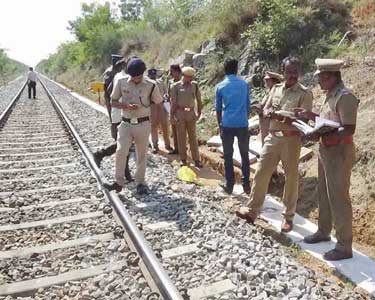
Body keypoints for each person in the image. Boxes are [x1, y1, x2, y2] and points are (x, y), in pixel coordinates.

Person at [236, 57, 313, 233]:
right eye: (289, 71)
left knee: (291, 178)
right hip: (272, 138)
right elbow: (265, 109)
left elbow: (305, 119)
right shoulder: (276, 89)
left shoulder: (304, 93)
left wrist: (284, 118)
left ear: (299, 73)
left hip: (291, 139)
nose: (292, 75)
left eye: (295, 71)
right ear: (283, 71)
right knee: (262, 172)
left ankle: (288, 217)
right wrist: (264, 111)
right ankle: (252, 210)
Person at [296, 58, 359, 261]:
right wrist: (310, 116)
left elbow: (349, 128)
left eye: (321, 78)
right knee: (324, 193)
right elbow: (329, 121)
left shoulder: (345, 96)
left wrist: (323, 134)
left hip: (339, 152)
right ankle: (323, 231)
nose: (319, 82)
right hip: (326, 150)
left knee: (339, 198)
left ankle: (343, 246)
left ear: (330, 77)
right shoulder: (330, 95)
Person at [104, 58, 163, 195]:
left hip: (143, 124)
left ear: (143, 73)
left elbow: (159, 103)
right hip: (126, 123)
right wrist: (126, 106)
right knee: (120, 151)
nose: (136, 79)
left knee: (141, 155)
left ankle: (140, 183)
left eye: (138, 77)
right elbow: (113, 102)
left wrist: (156, 122)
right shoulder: (121, 82)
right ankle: (118, 182)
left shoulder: (151, 85)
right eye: (133, 77)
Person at [93, 55, 132, 182]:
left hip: (124, 113)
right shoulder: (119, 77)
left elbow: (109, 90)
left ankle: (102, 154)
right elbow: (108, 91)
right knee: (124, 144)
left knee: (125, 144)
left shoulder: (120, 76)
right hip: (120, 114)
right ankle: (102, 155)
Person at [215, 58, 251, 194]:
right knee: (244, 155)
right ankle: (246, 185)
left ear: (225, 70)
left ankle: (229, 185)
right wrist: (244, 119)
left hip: (227, 124)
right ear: (237, 70)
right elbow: (248, 106)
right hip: (242, 124)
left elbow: (218, 109)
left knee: (228, 156)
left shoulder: (220, 86)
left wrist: (220, 126)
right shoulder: (244, 85)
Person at [170, 67, 203, 168]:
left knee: (193, 137)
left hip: (191, 114)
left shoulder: (195, 85)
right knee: (181, 137)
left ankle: (196, 160)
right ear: (184, 76)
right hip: (180, 113)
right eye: (189, 77)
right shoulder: (175, 86)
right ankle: (183, 159)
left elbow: (199, 100)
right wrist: (171, 116)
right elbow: (174, 103)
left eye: (191, 77)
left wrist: (199, 113)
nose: (190, 79)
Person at [252, 71, 284, 145]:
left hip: (272, 121)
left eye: (268, 80)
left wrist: (275, 75)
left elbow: (283, 79)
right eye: (265, 80)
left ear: (274, 81)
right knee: (265, 143)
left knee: (271, 144)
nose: (265, 81)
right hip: (264, 121)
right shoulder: (268, 91)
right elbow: (262, 105)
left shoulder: (279, 90)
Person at [147, 68, 172, 153]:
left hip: (162, 105)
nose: (153, 77)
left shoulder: (161, 82)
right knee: (153, 126)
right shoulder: (146, 84)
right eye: (151, 76)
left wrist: (166, 98)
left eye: (154, 76)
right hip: (152, 106)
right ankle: (155, 145)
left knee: (165, 125)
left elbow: (166, 92)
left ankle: (167, 144)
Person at [167, 64, 183, 154]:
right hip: (172, 108)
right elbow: (168, 94)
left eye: (172, 71)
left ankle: (183, 148)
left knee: (181, 130)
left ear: (177, 71)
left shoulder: (183, 81)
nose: (171, 73)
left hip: (181, 109)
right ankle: (176, 148)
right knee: (174, 129)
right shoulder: (170, 82)